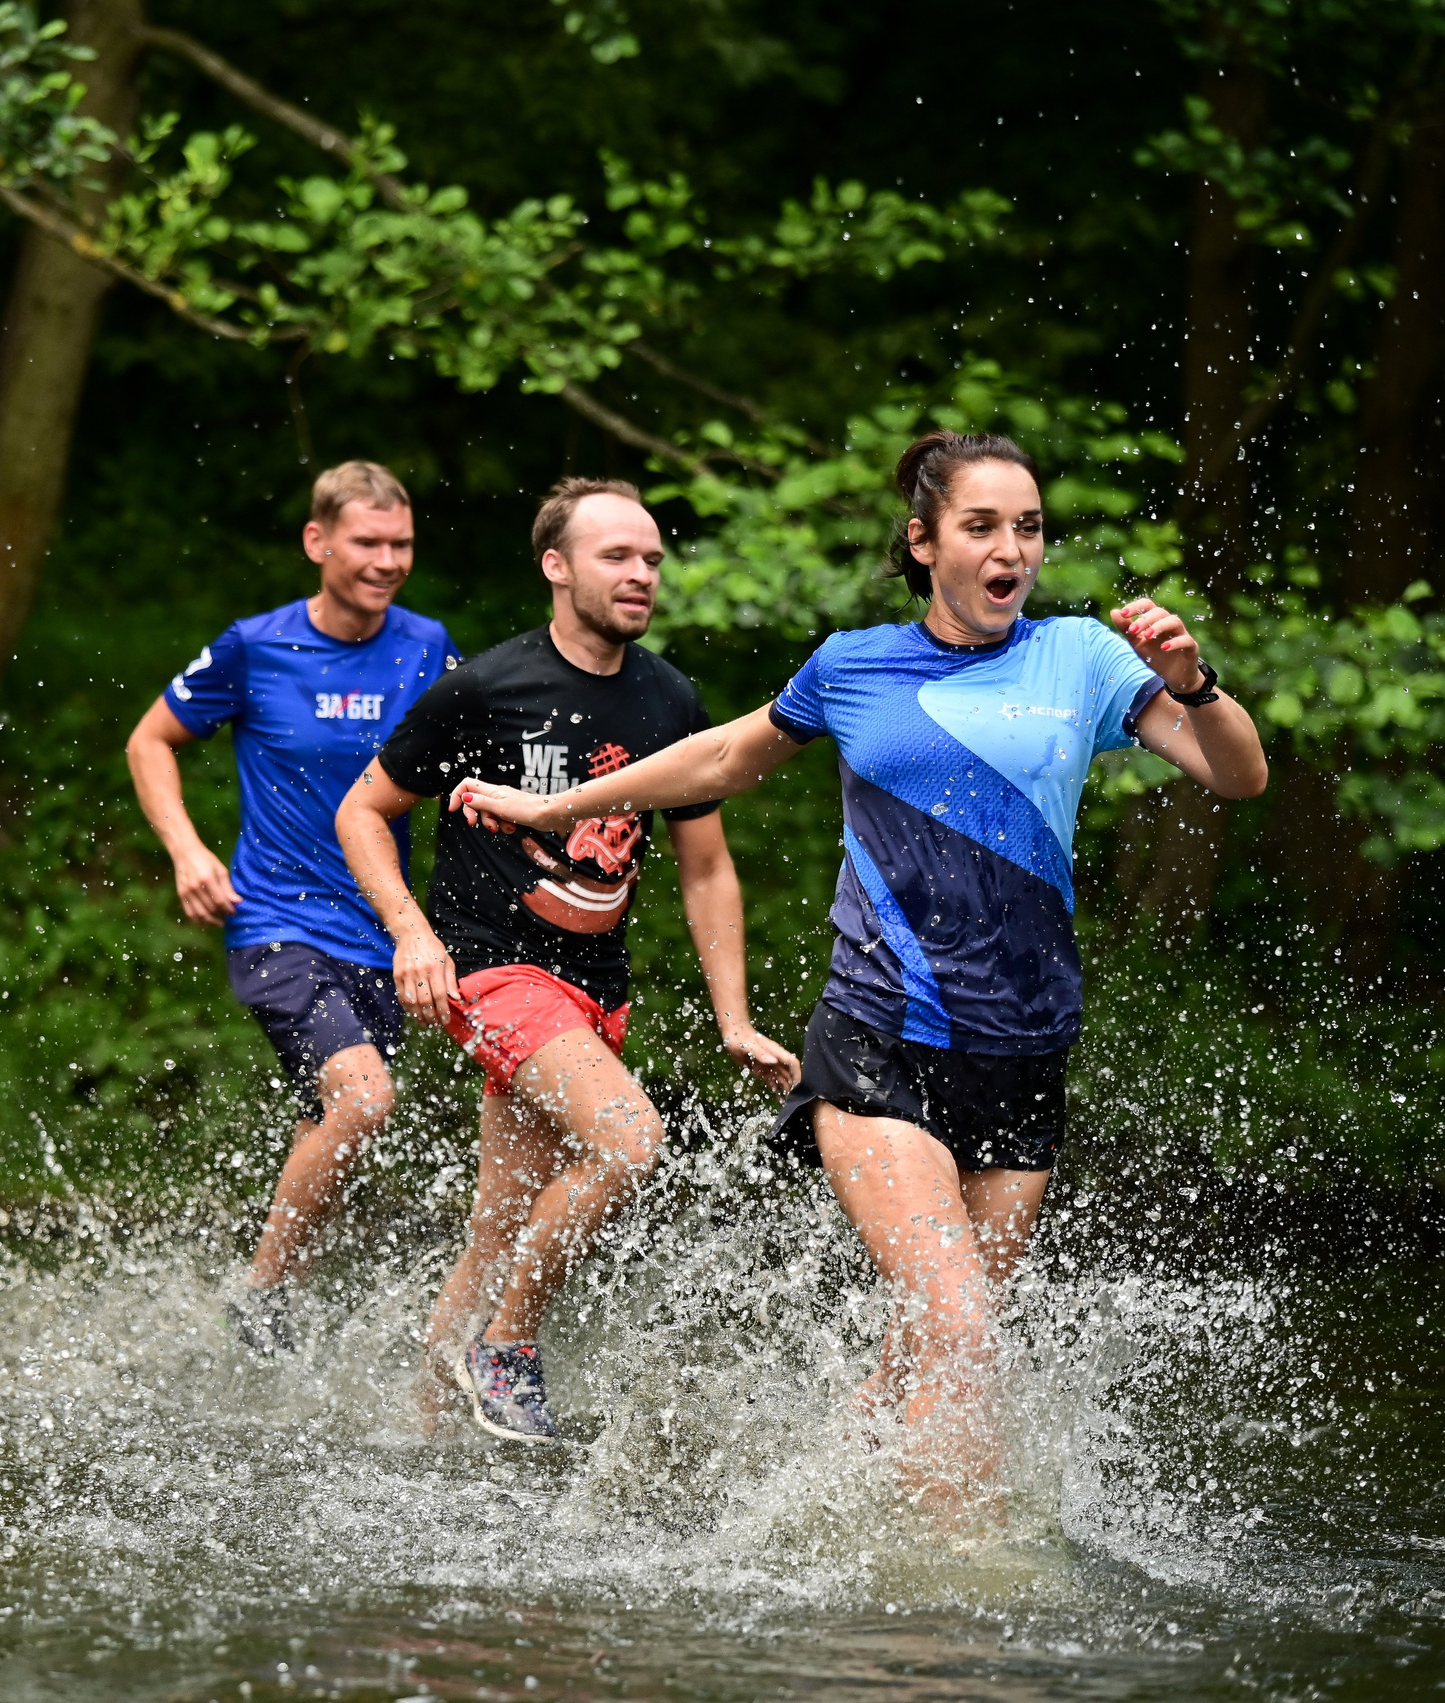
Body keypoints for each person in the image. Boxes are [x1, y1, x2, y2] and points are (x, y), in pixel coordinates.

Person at [448, 433, 1269, 1483]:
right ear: (924, 542)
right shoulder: (853, 665)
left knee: (931, 1346)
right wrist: (556, 806)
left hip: (1022, 1046)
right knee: (962, 1326)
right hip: (881, 1036)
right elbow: (721, 755)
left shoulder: (1084, 658)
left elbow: (1237, 774)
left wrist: (1194, 684)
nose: (1010, 549)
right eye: (981, 526)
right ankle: (964, 1567)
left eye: (1027, 528)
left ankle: (823, 1509)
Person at [337, 477, 801, 1443]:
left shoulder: (670, 698)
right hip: (493, 971)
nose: (641, 574)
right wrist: (411, 932)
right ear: (557, 566)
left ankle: (422, 1437)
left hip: (596, 988)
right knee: (629, 1140)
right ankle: (505, 1348)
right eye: (616, 556)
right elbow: (363, 810)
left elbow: (706, 866)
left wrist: (734, 1018)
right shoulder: (483, 690)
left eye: (652, 560)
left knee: (502, 1224)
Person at [126, 461, 460, 1354]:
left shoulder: (428, 645)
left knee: (336, 1115)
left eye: (402, 544)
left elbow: (471, 757)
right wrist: (187, 850)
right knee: (366, 1098)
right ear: (318, 542)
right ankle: (264, 1296)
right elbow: (151, 740)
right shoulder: (254, 646)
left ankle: (273, 1305)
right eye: (368, 542)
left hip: (381, 933)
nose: (387, 561)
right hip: (277, 921)